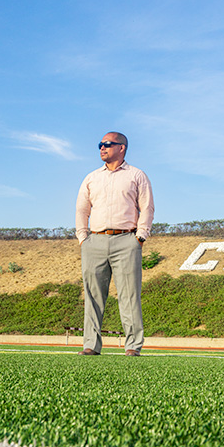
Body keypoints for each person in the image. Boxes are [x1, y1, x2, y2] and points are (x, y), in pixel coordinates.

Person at [75, 132, 155, 356]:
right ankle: (90, 345)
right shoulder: (91, 178)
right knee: (93, 296)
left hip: (126, 240)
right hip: (94, 241)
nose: (102, 148)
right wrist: (83, 238)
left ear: (122, 148)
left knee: (129, 295)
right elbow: (82, 209)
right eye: (100, 144)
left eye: (108, 144)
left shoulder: (137, 175)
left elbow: (146, 207)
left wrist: (140, 237)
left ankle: (132, 346)